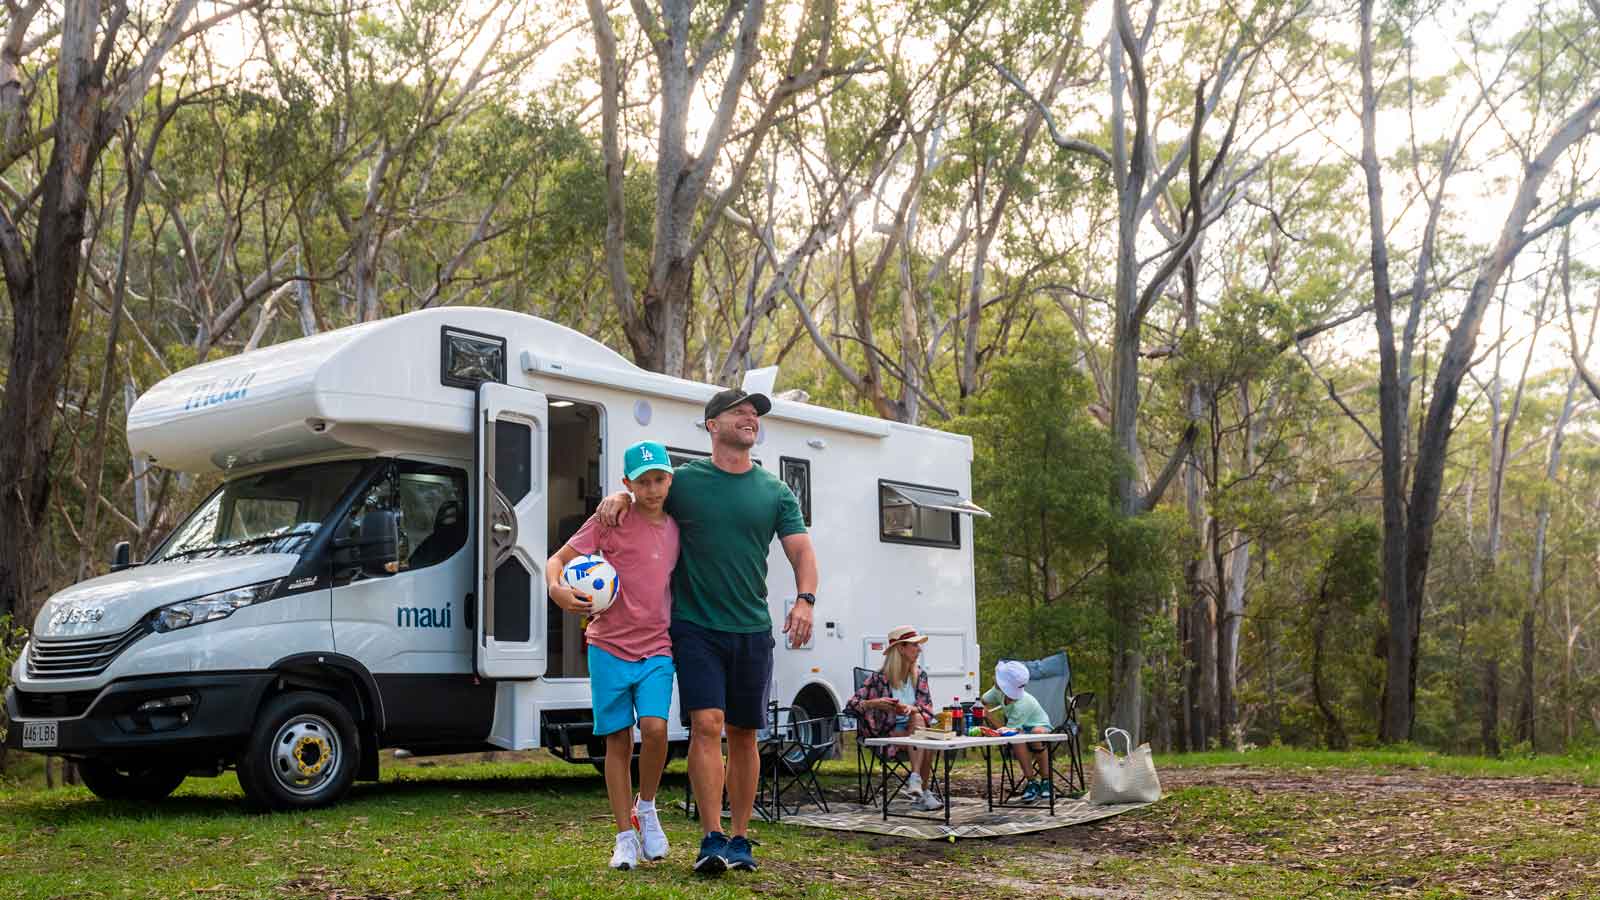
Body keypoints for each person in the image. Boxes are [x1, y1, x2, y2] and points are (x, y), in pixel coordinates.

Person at [599, 387, 817, 876]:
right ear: (711, 424)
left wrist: (805, 599)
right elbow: (644, 493)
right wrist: (617, 496)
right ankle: (711, 837)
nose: (750, 418)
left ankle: (740, 839)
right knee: (707, 724)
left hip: (752, 627)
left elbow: (802, 552)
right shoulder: (686, 482)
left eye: (754, 414)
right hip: (695, 626)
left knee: (744, 733)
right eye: (739, 411)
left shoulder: (775, 491)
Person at [547, 440, 680, 871]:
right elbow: (558, 560)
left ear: (670, 479)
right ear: (628, 483)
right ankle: (625, 836)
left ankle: (647, 807)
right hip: (607, 645)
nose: (653, 489)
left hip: (658, 645)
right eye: (643, 482)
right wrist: (558, 590)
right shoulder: (610, 519)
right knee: (617, 740)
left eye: (660, 479)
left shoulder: (679, 524)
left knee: (657, 730)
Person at [845, 625, 941, 811]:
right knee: (925, 741)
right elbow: (851, 705)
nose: (919, 649)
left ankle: (916, 780)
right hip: (888, 732)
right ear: (900, 649)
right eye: (915, 645)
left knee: (920, 724)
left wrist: (910, 709)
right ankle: (924, 792)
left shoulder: (920, 675)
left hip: (913, 731)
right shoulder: (879, 678)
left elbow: (927, 709)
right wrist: (875, 703)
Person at [982, 660, 1055, 802]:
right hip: (1018, 729)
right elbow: (982, 701)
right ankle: (1032, 782)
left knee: (1036, 734)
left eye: (997, 677)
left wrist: (989, 716)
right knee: (1018, 739)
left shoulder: (1022, 703)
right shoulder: (997, 691)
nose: (993, 678)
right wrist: (979, 707)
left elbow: (1005, 732)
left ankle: (1046, 781)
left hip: (1039, 725)